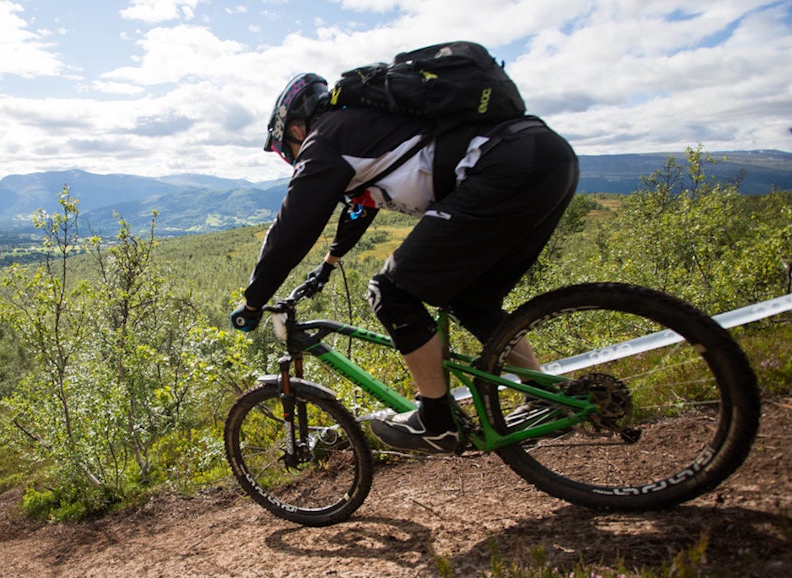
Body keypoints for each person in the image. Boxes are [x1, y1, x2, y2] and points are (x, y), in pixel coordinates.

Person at [230, 67, 579, 454]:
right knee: (471, 299)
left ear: (296, 129)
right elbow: (361, 207)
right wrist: (329, 263)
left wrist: (253, 300)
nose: (293, 160)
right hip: (547, 157)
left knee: (389, 290)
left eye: (287, 153)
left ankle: (437, 422)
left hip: (502, 168)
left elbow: (291, 229)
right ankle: (546, 394)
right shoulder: (366, 126)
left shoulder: (324, 138)